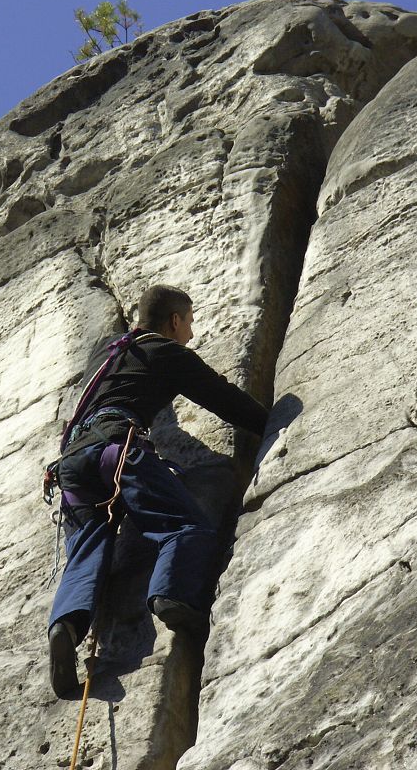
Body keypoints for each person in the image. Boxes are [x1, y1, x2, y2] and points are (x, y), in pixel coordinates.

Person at [48, 284, 268, 696]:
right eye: (189, 322)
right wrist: (269, 421)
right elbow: (221, 398)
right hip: (118, 451)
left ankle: (65, 625)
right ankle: (171, 597)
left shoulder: (106, 352)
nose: (191, 332)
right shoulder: (169, 354)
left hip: (71, 466)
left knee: (86, 552)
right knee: (185, 526)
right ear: (174, 321)